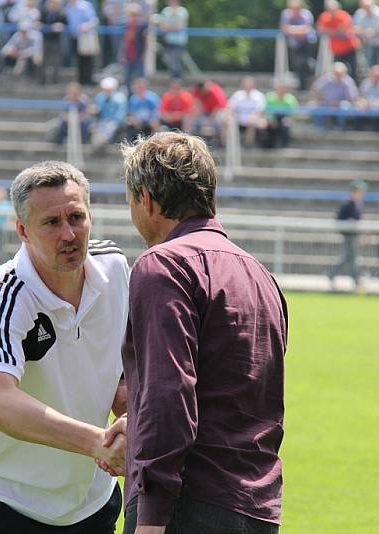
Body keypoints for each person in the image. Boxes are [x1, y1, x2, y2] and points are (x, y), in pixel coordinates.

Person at [0, 161, 130, 532]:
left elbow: (122, 374)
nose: (69, 234)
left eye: (77, 217)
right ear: (23, 230)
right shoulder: (2, 296)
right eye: (52, 223)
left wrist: (131, 410)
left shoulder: (117, 269)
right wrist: (97, 442)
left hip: (89, 503)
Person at [119, 131, 288, 534]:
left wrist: (152, 515)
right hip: (257, 507)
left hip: (186, 505)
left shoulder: (162, 265)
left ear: (146, 198)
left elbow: (169, 393)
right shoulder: (261, 275)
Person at [328, 179, 366, 289]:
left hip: (354, 234)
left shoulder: (358, 204)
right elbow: (339, 219)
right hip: (349, 235)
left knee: (348, 257)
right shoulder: (348, 204)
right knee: (351, 258)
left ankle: (332, 274)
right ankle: (355, 280)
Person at [317, 0, 360, 82]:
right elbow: (320, 29)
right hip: (336, 49)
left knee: (352, 69)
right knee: (337, 70)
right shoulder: (324, 16)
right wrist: (334, 31)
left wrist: (330, 31)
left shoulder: (343, 15)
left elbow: (342, 30)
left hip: (349, 47)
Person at [280, 0, 317, 91]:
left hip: (307, 43)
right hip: (294, 44)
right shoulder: (286, 14)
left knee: (303, 62)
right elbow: (284, 28)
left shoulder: (306, 14)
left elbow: (306, 30)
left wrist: (291, 30)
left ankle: (303, 85)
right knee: (297, 64)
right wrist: (298, 31)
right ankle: (309, 72)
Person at [310, 61, 359, 130]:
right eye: (335, 73)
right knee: (313, 105)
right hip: (326, 103)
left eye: (339, 73)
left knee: (344, 106)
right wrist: (319, 100)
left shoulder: (348, 82)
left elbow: (352, 98)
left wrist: (337, 102)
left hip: (340, 104)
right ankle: (319, 129)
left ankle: (340, 128)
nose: (337, 75)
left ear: (344, 73)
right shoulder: (326, 79)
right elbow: (315, 89)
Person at [353, 0, 379, 71]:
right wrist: (368, 32)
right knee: (370, 65)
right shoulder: (359, 13)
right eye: (364, 7)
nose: (367, 9)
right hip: (369, 43)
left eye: (368, 7)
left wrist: (369, 32)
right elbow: (355, 29)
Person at [65, 0, 99, 85]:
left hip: (85, 37)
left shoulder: (85, 6)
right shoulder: (66, 7)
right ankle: (81, 81)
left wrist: (86, 26)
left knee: (87, 60)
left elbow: (94, 20)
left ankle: (88, 80)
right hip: (73, 37)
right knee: (78, 60)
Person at [228, 75, 267, 146]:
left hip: (254, 118)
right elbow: (230, 108)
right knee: (227, 121)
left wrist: (253, 116)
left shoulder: (259, 96)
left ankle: (248, 144)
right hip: (238, 118)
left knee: (252, 121)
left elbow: (260, 110)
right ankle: (227, 144)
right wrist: (229, 116)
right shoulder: (237, 95)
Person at [91, 76, 127, 146]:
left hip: (114, 121)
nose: (107, 91)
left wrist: (113, 122)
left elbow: (121, 114)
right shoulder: (100, 97)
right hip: (102, 121)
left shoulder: (120, 97)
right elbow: (99, 110)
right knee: (97, 127)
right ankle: (98, 141)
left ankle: (102, 140)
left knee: (110, 126)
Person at [190, 79, 227, 144]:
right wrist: (203, 117)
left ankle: (221, 141)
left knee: (218, 121)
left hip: (218, 111)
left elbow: (218, 107)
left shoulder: (215, 91)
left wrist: (209, 119)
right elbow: (197, 104)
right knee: (193, 120)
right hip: (205, 111)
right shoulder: (196, 90)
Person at [120, 3, 147, 94]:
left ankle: (140, 97)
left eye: (135, 14)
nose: (133, 17)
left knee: (140, 79)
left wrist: (144, 55)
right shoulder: (126, 26)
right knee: (127, 79)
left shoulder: (142, 26)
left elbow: (146, 41)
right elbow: (125, 41)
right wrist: (123, 54)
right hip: (128, 56)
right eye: (131, 14)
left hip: (138, 55)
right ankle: (130, 98)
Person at [263, 79, 299, 148]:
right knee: (267, 126)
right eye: (280, 88)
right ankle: (269, 146)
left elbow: (294, 112)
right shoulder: (269, 97)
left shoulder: (291, 98)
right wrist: (272, 119)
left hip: (285, 118)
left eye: (283, 88)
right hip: (272, 118)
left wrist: (288, 118)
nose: (281, 90)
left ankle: (284, 146)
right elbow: (265, 111)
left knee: (286, 125)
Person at [158, 0, 188, 79]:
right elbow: (162, 27)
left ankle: (178, 77)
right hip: (168, 40)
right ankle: (173, 77)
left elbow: (180, 26)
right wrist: (172, 27)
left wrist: (169, 26)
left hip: (180, 40)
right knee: (169, 59)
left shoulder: (182, 11)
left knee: (177, 59)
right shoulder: (165, 11)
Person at [356, 64, 379, 131]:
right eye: (374, 75)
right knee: (359, 107)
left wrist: (371, 103)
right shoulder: (365, 83)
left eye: (378, 76)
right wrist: (364, 102)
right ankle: (359, 130)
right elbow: (362, 96)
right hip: (367, 105)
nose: (376, 77)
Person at [40, 0, 68, 84]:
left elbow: (66, 24)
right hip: (44, 39)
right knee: (42, 61)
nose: (53, 5)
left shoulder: (62, 14)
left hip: (56, 40)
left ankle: (55, 81)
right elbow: (39, 22)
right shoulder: (44, 12)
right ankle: (42, 81)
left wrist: (60, 26)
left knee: (56, 61)